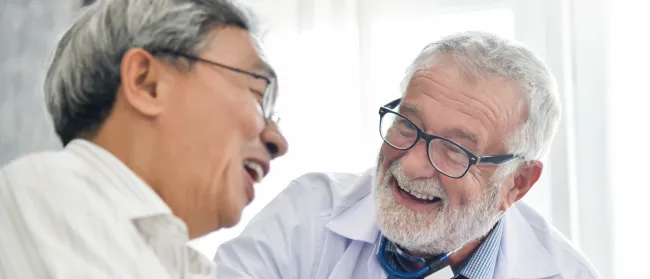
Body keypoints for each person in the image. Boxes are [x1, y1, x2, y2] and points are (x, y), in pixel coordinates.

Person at [214, 31, 599, 279]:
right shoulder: (309, 214)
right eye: (407, 125)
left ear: (516, 184)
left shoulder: (564, 273)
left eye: (454, 150)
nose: (411, 164)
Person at [0, 0, 287, 278]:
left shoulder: (186, 266)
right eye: (257, 95)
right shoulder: (43, 195)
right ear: (146, 83)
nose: (277, 141)